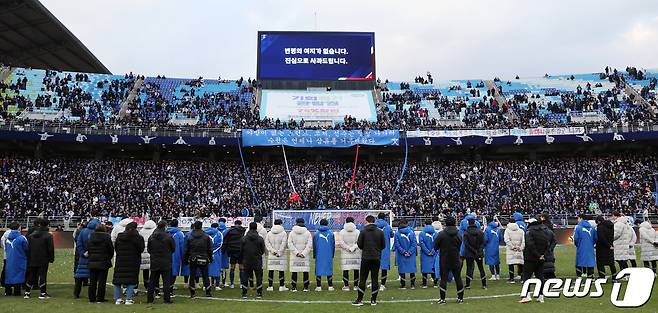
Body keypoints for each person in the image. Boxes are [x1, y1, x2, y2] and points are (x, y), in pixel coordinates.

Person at [352, 215, 385, 306]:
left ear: (367, 221)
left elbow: (359, 244)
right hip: (376, 258)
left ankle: (359, 299)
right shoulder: (380, 232)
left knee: (362, 279)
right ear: (374, 221)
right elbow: (383, 245)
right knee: (375, 279)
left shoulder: (363, 232)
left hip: (366, 257)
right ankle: (373, 300)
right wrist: (377, 250)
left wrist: (366, 249)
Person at [434, 216, 464, 305]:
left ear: (446, 223)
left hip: (444, 259)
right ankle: (460, 298)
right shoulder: (458, 234)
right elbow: (460, 244)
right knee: (458, 278)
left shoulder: (441, 234)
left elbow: (435, 246)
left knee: (443, 279)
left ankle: (442, 299)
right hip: (455, 258)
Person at [112, 222, 144, 305]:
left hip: (121, 260)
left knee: (118, 280)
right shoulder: (138, 238)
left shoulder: (120, 237)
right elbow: (141, 249)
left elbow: (116, 247)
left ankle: (118, 299)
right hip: (133, 261)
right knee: (132, 280)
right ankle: (128, 299)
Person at [519, 218, 550, 304]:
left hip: (530, 258)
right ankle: (541, 296)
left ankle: (527, 296)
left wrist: (538, 255)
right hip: (541, 258)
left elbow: (530, 245)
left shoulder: (529, 232)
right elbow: (548, 244)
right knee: (540, 277)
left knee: (526, 277)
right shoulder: (544, 231)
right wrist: (543, 255)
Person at [25, 218, 54, 299]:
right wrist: (51, 258)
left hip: (32, 258)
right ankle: (43, 293)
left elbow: (28, 248)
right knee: (42, 275)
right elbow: (50, 248)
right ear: (47, 225)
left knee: (32, 275)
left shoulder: (31, 236)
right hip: (43, 258)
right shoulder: (48, 236)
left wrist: (29, 257)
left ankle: (27, 292)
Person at [147, 221, 175, 304]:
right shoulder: (168, 236)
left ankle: (150, 299)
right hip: (165, 261)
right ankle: (167, 299)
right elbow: (173, 248)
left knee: (152, 281)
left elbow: (149, 249)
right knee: (166, 281)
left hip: (155, 261)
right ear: (164, 226)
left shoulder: (151, 237)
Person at [184, 221, 212, 298]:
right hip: (204, 257)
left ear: (194, 227)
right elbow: (210, 249)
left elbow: (186, 250)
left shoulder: (190, 237)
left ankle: (192, 293)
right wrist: (210, 258)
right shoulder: (206, 237)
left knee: (192, 275)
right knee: (205, 275)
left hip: (193, 258)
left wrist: (186, 259)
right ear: (201, 226)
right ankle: (208, 292)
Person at [87, 223, 114, 303]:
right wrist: (108, 257)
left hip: (92, 260)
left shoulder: (91, 236)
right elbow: (110, 249)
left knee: (92, 281)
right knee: (102, 281)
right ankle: (100, 298)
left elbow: (88, 247)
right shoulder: (107, 237)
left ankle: (91, 298)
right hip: (103, 261)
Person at [74, 219, 100, 298]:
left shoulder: (83, 231)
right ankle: (92, 295)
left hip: (83, 257)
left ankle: (76, 293)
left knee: (79, 276)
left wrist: (83, 253)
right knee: (93, 277)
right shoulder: (97, 233)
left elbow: (79, 243)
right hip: (94, 257)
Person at [240, 222, 266, 299]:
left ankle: (244, 293)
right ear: (256, 228)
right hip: (257, 260)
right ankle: (259, 293)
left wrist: (243, 258)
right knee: (259, 277)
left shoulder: (244, 238)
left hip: (247, 260)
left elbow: (241, 250)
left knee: (245, 276)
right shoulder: (260, 238)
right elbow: (262, 250)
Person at [288, 218, 312, 292]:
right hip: (304, 256)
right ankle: (305, 287)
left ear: (296, 223)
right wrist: (303, 253)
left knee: (294, 271)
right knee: (305, 271)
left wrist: (296, 253)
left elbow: (289, 244)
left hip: (295, 256)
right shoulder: (307, 233)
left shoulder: (292, 233)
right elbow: (309, 244)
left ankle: (294, 287)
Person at [4, 222, 28, 297]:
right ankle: (17, 292)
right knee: (18, 274)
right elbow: (26, 248)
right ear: (19, 228)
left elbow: (5, 248)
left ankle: (8, 291)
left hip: (9, 259)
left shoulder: (7, 239)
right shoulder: (22, 238)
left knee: (9, 273)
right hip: (20, 259)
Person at [265, 219, 288, 291]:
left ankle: (270, 286)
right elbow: (284, 244)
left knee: (271, 270)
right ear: (281, 224)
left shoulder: (269, 233)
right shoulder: (283, 233)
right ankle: (281, 286)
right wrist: (279, 252)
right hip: (280, 255)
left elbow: (267, 243)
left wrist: (273, 251)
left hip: (272, 254)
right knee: (281, 270)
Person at [463, 218, 487, 289]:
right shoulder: (480, 232)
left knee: (469, 268)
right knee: (481, 268)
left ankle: (468, 284)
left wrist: (473, 250)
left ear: (468, 223)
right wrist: (479, 250)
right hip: (479, 252)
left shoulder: (466, 232)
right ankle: (484, 284)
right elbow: (483, 243)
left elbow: (466, 244)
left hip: (469, 253)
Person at [222, 220, 245, 289]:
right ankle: (241, 283)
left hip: (232, 251)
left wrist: (224, 250)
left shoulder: (230, 231)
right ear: (241, 224)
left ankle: (232, 284)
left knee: (232, 268)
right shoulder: (244, 230)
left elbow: (225, 241)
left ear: (235, 224)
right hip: (241, 251)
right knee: (241, 268)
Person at [339, 217, 361, 291]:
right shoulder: (357, 231)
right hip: (356, 252)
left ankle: (346, 286)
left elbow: (341, 243)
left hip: (345, 253)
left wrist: (348, 248)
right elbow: (359, 242)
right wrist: (353, 248)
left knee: (346, 269)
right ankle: (355, 285)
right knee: (356, 269)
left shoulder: (342, 232)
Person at [313, 219, 335, 291]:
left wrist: (314, 255)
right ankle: (330, 286)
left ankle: (319, 286)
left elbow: (314, 245)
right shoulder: (331, 234)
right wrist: (332, 254)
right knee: (329, 268)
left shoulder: (316, 234)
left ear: (320, 224)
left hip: (319, 254)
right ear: (327, 224)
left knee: (319, 269)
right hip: (328, 253)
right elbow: (333, 245)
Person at [394, 219, 417, 289]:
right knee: (412, 269)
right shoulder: (411, 232)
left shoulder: (397, 233)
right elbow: (414, 244)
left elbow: (397, 244)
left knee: (402, 269)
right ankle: (412, 284)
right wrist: (409, 252)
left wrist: (403, 252)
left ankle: (403, 285)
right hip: (411, 254)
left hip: (401, 255)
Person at [166, 219, 185, 296]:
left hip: (165, 255)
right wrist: (183, 256)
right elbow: (182, 246)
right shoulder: (180, 234)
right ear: (177, 224)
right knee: (173, 272)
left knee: (166, 272)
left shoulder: (166, 232)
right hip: (175, 255)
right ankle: (170, 290)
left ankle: (165, 288)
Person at [375, 213, 394, 290]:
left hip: (375, 249)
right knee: (384, 267)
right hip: (385, 249)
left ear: (378, 218)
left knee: (374, 267)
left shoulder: (374, 226)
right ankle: (382, 285)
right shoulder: (388, 227)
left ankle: (374, 283)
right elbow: (392, 235)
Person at [139, 220, 157, 292]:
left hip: (143, 252)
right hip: (152, 252)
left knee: (145, 269)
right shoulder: (155, 230)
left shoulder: (141, 231)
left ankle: (146, 284)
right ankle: (153, 284)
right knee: (153, 270)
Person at [205, 223, 223, 290]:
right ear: (217, 227)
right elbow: (220, 244)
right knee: (217, 268)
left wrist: (207, 252)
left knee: (206, 269)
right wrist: (213, 252)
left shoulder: (205, 233)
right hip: (216, 254)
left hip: (206, 253)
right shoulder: (219, 233)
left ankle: (206, 285)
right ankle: (217, 285)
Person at [418, 220, 437, 288]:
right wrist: (433, 251)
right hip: (434, 254)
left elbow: (421, 243)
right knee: (434, 268)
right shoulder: (435, 233)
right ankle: (435, 283)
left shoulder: (422, 233)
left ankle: (424, 284)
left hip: (424, 254)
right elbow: (437, 243)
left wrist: (427, 251)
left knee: (424, 269)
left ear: (425, 224)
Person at [540, 214, 557, 279]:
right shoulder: (550, 226)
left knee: (545, 262)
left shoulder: (543, 227)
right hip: (550, 248)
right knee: (550, 261)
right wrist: (551, 248)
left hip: (544, 247)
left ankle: (545, 275)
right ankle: (550, 274)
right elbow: (554, 240)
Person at [217, 219, 230, 288]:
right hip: (224, 251)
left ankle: (214, 283)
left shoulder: (216, 231)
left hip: (216, 251)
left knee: (216, 267)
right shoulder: (227, 231)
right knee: (224, 268)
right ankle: (223, 282)